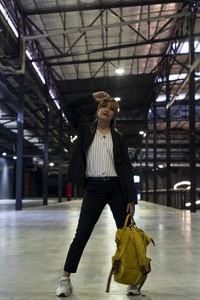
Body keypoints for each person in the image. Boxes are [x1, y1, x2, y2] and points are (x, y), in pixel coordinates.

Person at [56, 91, 137, 297]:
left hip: (117, 189)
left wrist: (131, 199)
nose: (107, 111)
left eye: (111, 109)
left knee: (126, 235)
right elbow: (68, 110)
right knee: (81, 235)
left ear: (113, 115)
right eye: (104, 107)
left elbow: (126, 168)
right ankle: (65, 280)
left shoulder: (118, 138)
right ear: (98, 110)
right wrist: (91, 97)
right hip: (93, 188)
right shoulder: (85, 130)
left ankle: (133, 280)